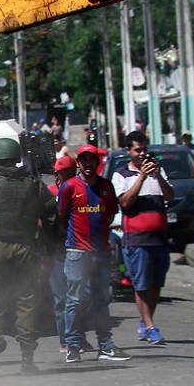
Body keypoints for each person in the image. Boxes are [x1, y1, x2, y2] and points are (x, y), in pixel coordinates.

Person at [0, 138, 57, 377]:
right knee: (27, 302)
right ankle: (28, 360)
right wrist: (49, 250)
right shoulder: (33, 185)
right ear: (17, 158)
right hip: (27, 249)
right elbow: (52, 216)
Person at [57, 145, 131, 363]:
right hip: (77, 253)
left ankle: (105, 345)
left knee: (101, 299)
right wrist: (75, 241)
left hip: (101, 252)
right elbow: (62, 218)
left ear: (97, 163)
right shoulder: (69, 187)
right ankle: (73, 345)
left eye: (92, 159)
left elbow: (109, 216)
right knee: (74, 300)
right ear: (78, 163)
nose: (88, 163)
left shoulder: (106, 187)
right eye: (84, 160)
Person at [113, 131, 174, 345]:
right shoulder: (121, 175)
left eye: (144, 149)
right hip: (137, 240)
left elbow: (170, 196)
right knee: (141, 285)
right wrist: (141, 177)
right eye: (137, 150)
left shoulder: (159, 171)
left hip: (159, 238)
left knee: (156, 285)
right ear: (128, 151)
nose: (142, 153)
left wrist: (156, 175)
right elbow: (126, 203)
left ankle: (146, 321)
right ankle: (150, 326)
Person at [47, 156, 79, 352]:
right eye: (64, 174)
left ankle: (77, 337)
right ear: (56, 175)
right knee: (61, 299)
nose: (68, 177)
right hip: (57, 252)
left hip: (78, 250)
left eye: (71, 173)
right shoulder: (49, 194)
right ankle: (65, 340)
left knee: (80, 298)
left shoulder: (80, 190)